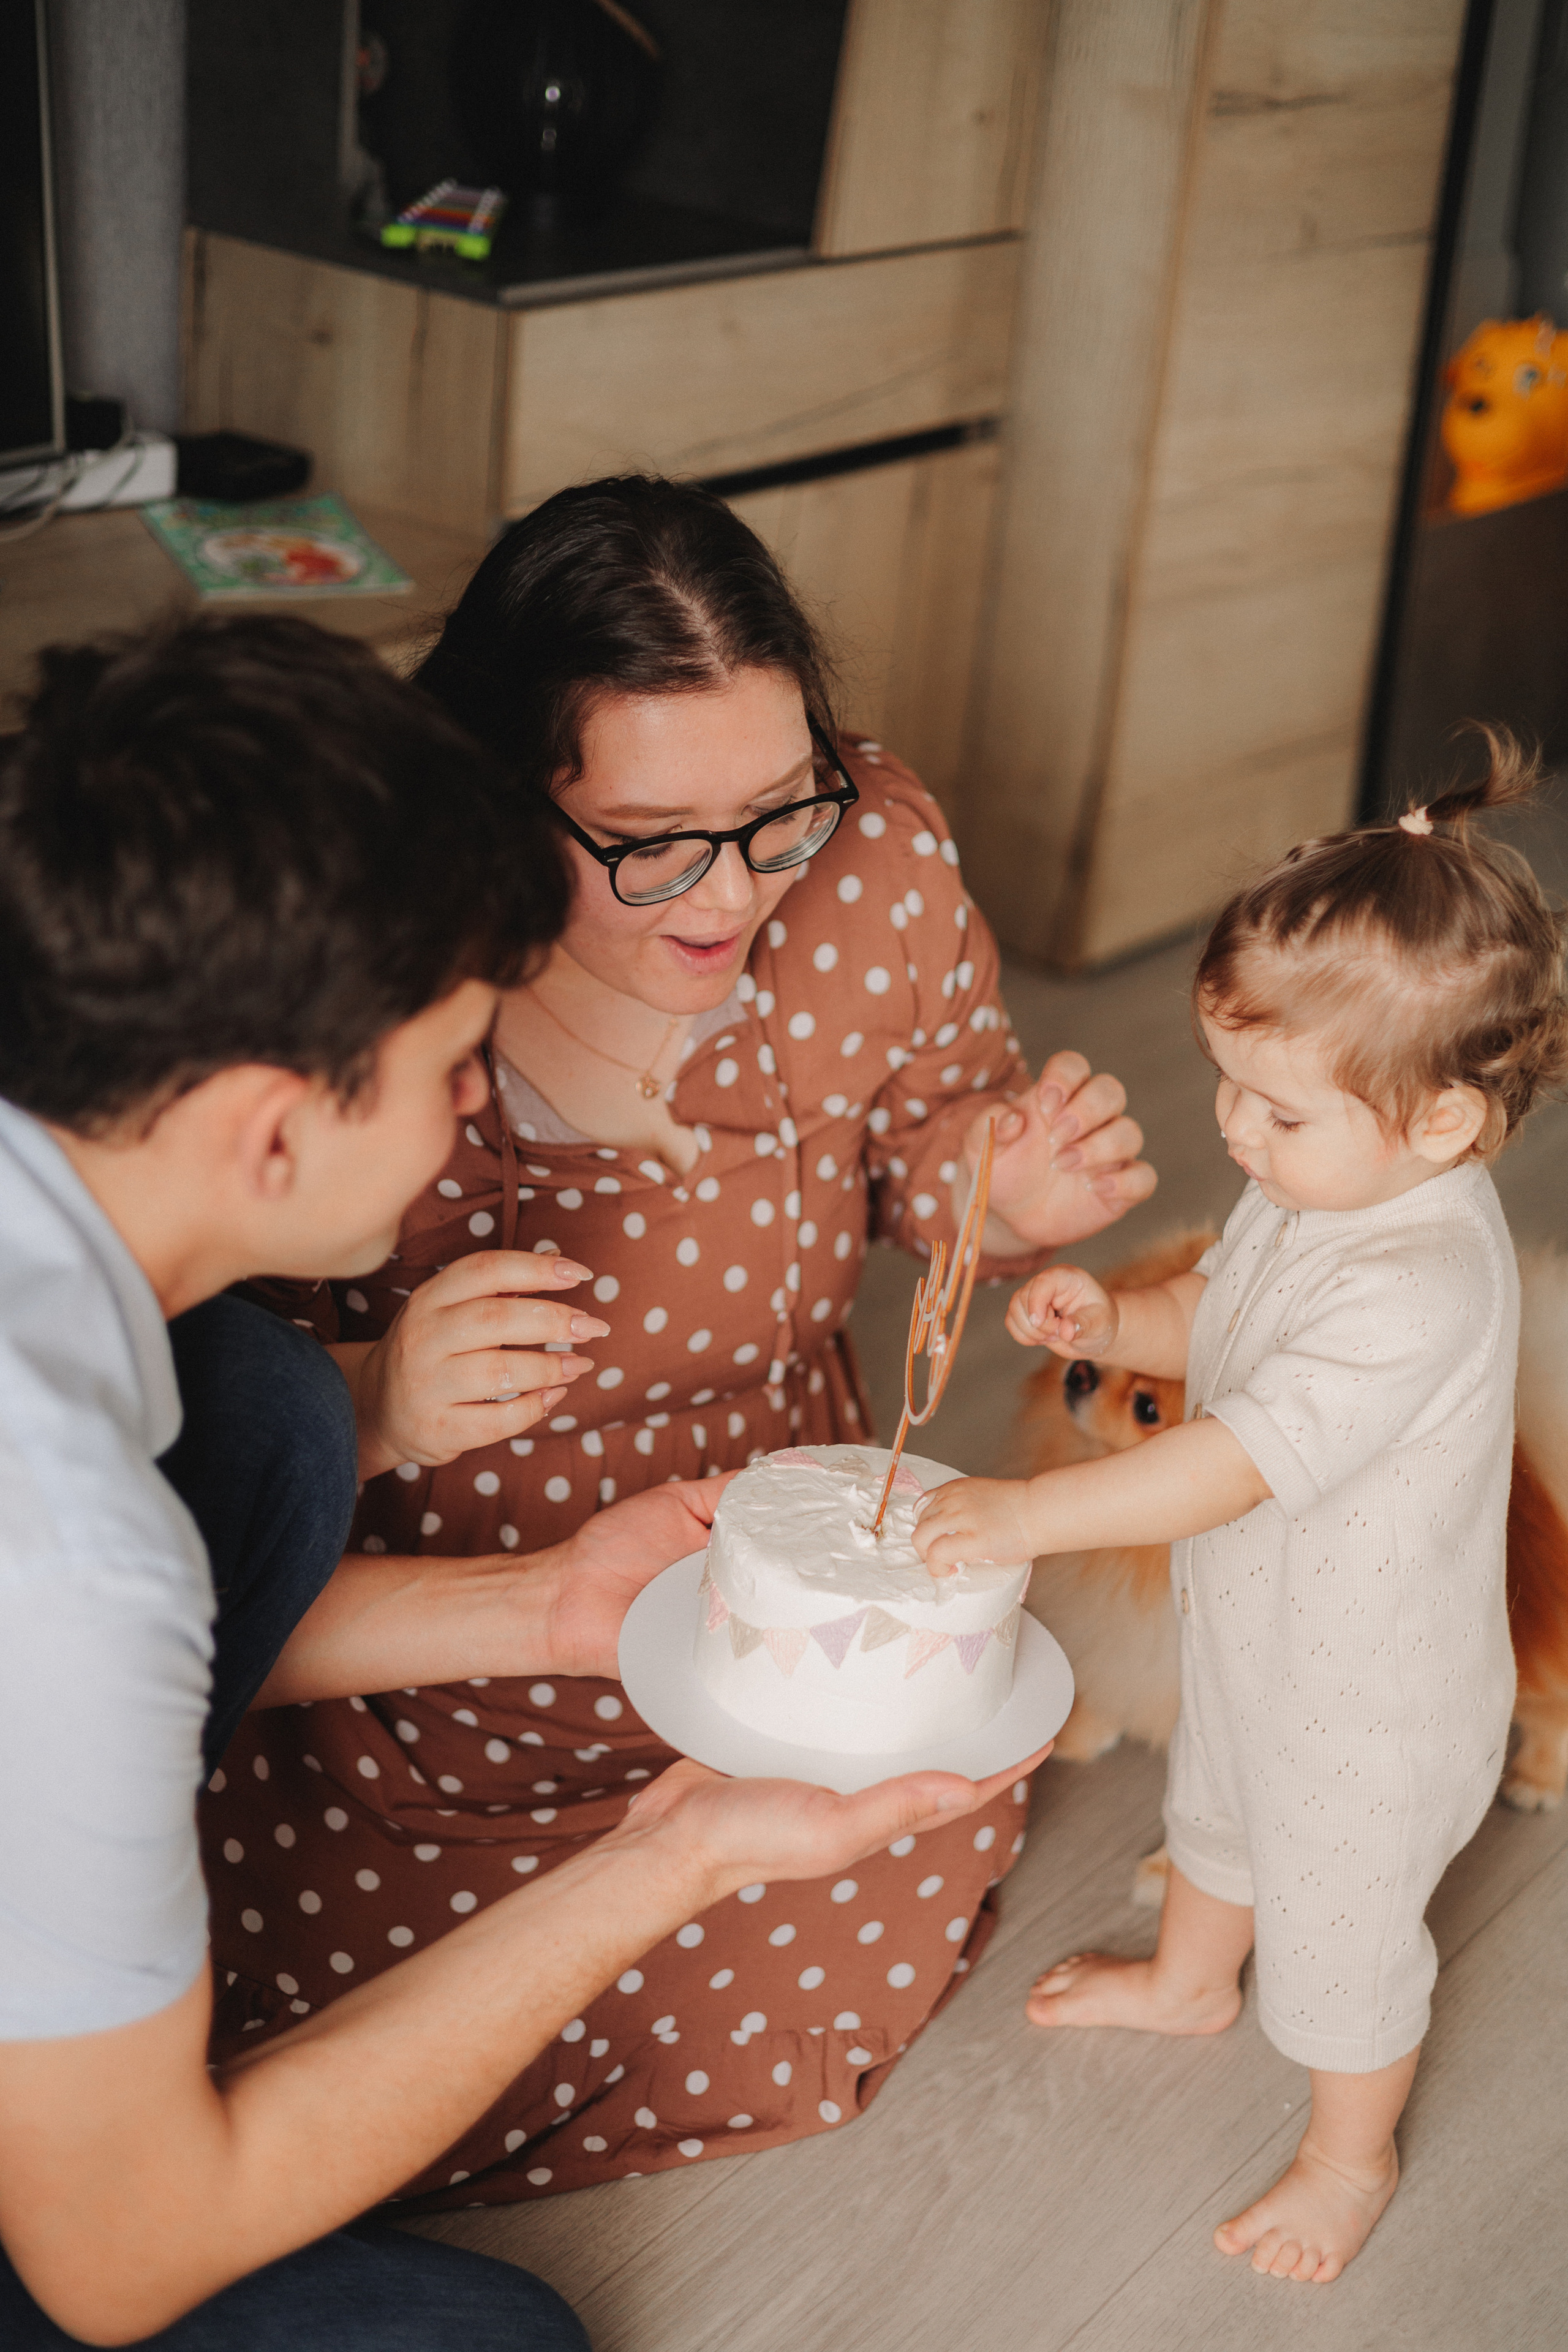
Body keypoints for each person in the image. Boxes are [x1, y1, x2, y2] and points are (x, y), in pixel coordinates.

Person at [0, 616, 1040, 2350]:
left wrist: (546, 1601)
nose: (480, 1101)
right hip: (76, 2190)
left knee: (262, 1401)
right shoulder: (71, 1561)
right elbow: (124, 2258)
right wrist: (675, 1858)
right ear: (273, 1130)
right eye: (449, 1062)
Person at [202, 477, 1155, 2198]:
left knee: (882, 1837)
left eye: (781, 813)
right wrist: (375, 1394)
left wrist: (995, 1192)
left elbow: (923, 1148)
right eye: (648, 842)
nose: (731, 898)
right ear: (495, 802)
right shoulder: (363, 970)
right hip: (426, 1678)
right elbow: (197, 1437)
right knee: (345, 1984)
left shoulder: (873, 862)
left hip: (778, 1610)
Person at [914, 746, 1568, 2285]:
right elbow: (1232, 1310)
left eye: (1274, 1110)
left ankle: (1349, 2153)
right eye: (1229, 1083)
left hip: (1374, 1702)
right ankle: (1188, 1983)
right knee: (1210, 1814)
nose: (1234, 1131)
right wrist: (1125, 1323)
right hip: (1267, 1627)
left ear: (1442, 1130)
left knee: (1340, 1943)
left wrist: (1025, 1517)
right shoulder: (1323, 1180)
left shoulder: (1419, 1283)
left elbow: (1238, 1454)